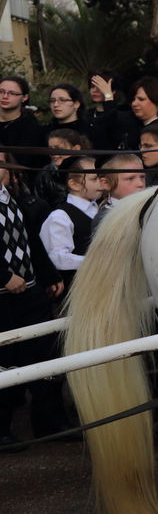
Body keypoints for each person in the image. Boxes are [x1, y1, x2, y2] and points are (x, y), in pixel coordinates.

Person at [0, 158, 69, 450]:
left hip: (31, 292)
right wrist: (3, 277)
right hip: (2, 298)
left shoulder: (12, 197)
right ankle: (1, 431)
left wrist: (48, 274)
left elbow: (29, 241)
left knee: (45, 355)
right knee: (4, 362)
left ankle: (50, 422)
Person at [39, 155, 102, 289]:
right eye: (95, 178)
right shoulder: (60, 217)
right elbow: (58, 258)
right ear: (74, 184)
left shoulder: (101, 208)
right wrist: (98, 262)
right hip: (79, 288)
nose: (101, 182)